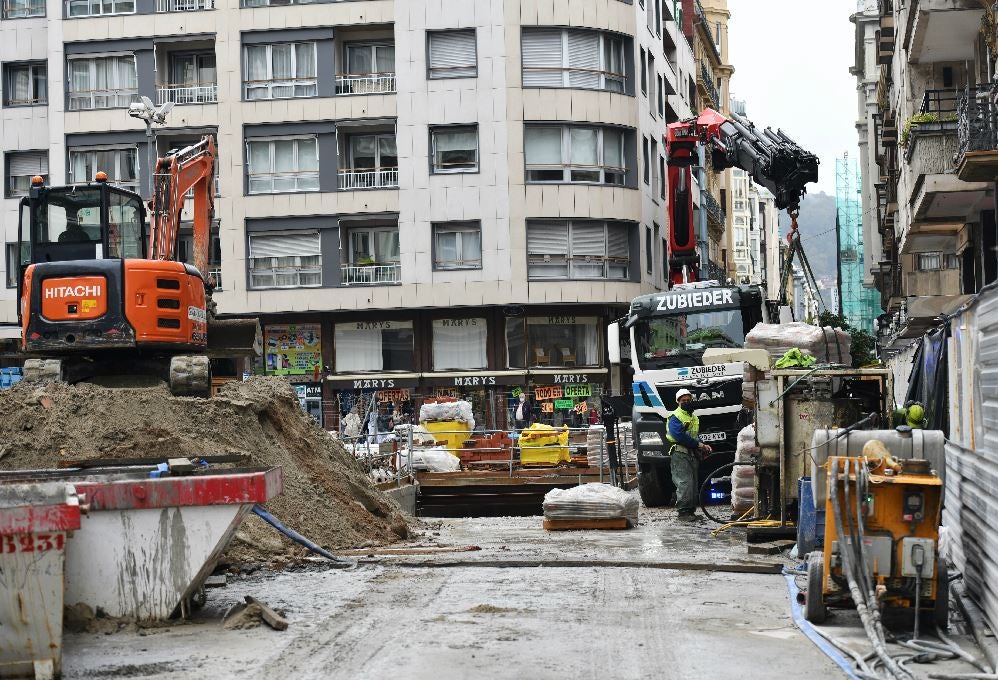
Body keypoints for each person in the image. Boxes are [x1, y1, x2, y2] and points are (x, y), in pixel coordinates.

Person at [667, 388, 713, 519]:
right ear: (678, 402)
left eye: (688, 400)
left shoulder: (693, 418)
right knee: (684, 483)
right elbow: (679, 436)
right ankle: (683, 512)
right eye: (683, 400)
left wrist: (703, 446)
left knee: (692, 483)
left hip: (691, 454)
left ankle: (690, 511)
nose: (686, 402)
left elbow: (693, 436)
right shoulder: (675, 417)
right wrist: (699, 445)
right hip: (680, 454)